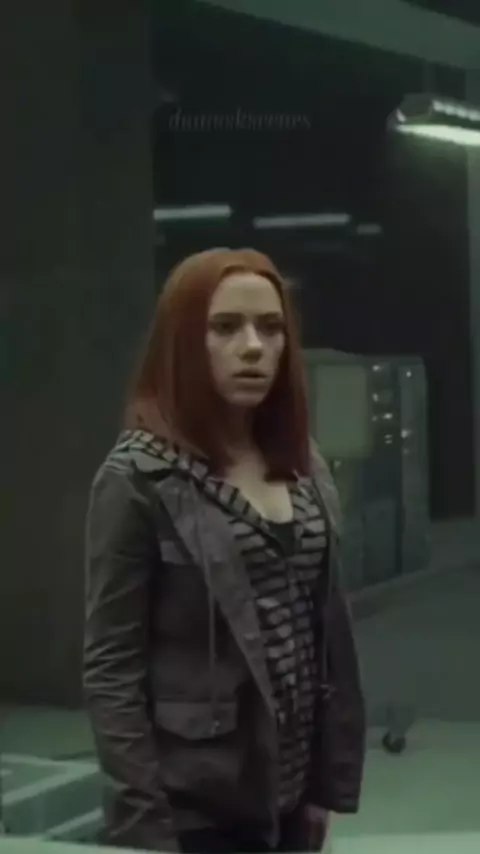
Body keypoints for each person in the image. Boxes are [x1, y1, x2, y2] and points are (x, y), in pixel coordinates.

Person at [83, 247, 366, 852]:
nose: (253, 347)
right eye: (226, 327)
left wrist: (325, 783)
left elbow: (326, 634)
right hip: (195, 808)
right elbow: (112, 669)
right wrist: (145, 824)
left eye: (270, 328)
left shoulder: (304, 464)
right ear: (185, 341)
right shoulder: (139, 478)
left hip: (291, 797)